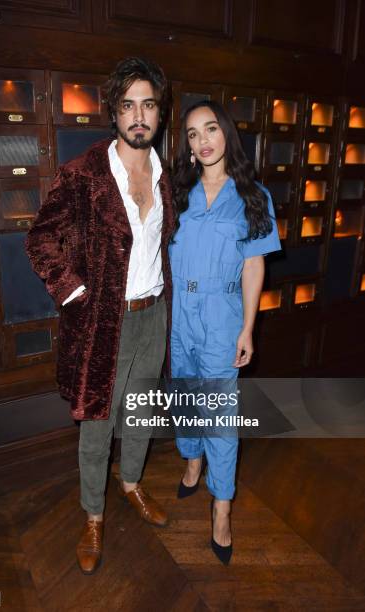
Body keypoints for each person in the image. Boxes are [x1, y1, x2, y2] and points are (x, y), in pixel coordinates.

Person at [25, 57, 175, 574]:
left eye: (148, 105)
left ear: (159, 114)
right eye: (129, 105)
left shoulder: (164, 174)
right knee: (97, 425)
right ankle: (93, 515)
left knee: (141, 415)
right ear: (114, 113)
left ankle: (131, 484)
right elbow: (40, 239)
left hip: (153, 316)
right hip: (102, 325)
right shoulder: (83, 174)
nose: (139, 116)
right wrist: (74, 292)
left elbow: (162, 247)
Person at [168, 100, 282, 565]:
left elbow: (254, 266)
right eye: (193, 134)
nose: (203, 140)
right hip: (178, 313)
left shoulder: (253, 195)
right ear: (189, 147)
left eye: (210, 129)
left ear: (226, 134)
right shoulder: (178, 190)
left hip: (222, 313)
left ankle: (221, 507)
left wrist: (248, 328)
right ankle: (191, 463)